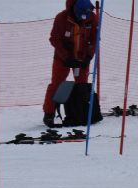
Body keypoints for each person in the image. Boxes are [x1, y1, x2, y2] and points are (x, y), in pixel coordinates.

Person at [42, 0, 98, 128]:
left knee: (82, 85)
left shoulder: (93, 18)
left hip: (82, 58)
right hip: (62, 58)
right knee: (56, 84)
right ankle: (49, 113)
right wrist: (66, 57)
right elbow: (54, 39)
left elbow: (95, 39)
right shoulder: (61, 18)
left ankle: (81, 111)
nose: (83, 19)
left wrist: (89, 56)